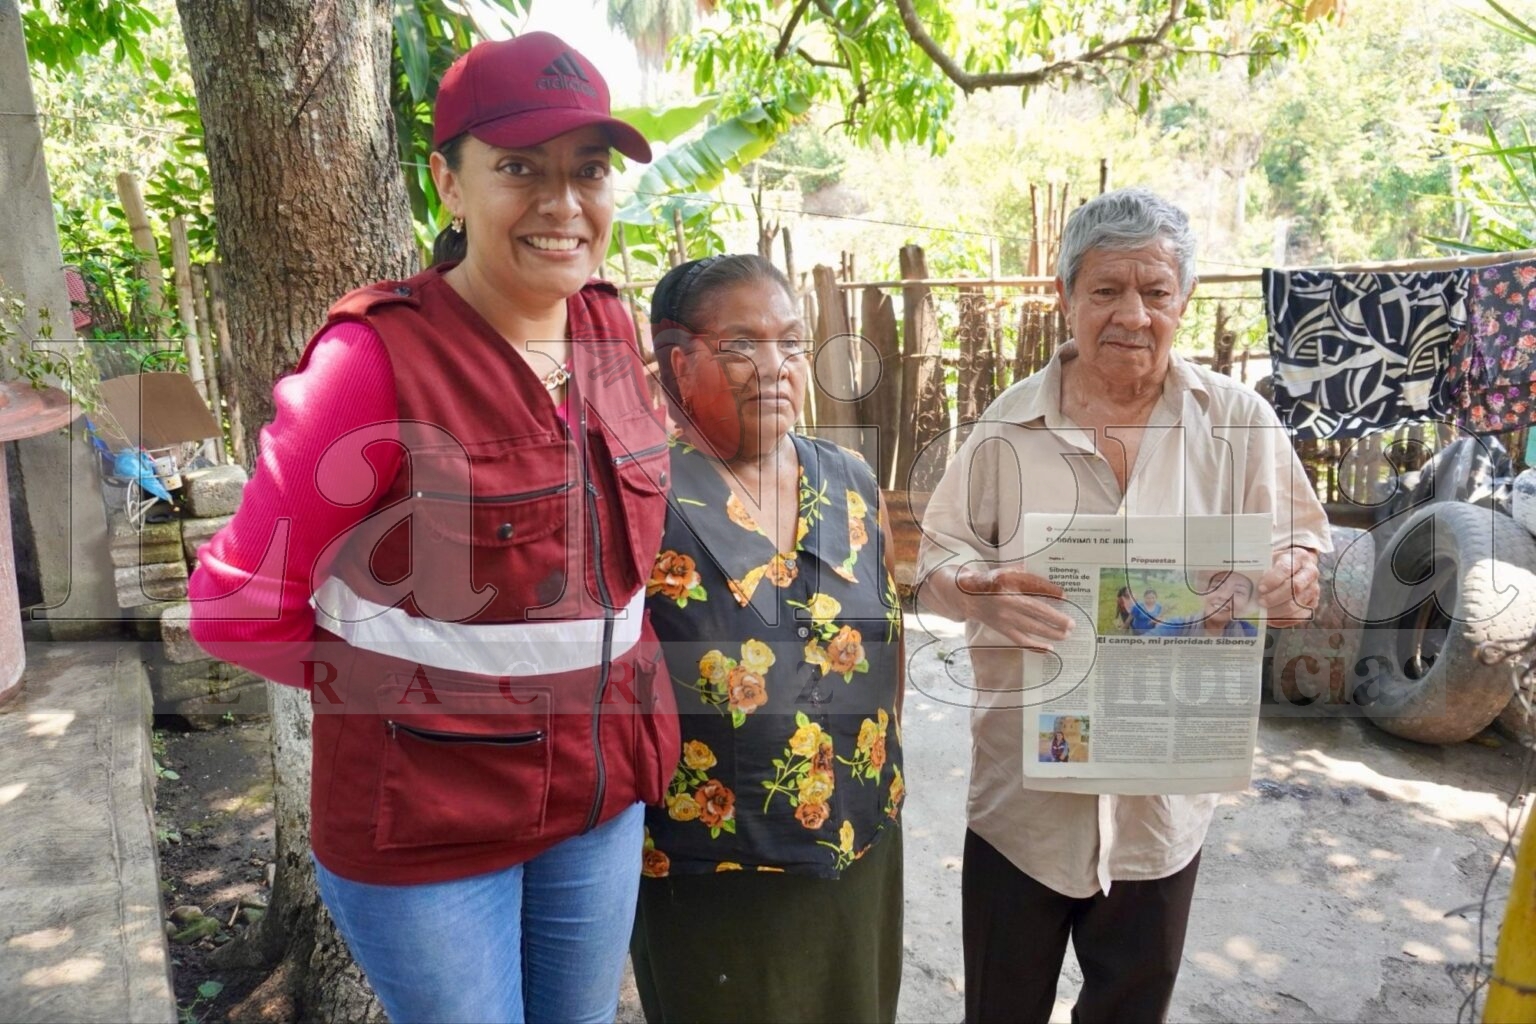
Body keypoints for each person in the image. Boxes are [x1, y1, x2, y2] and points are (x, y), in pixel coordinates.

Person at [187, 33, 679, 1024]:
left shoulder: (608, 330)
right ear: (449, 183)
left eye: (588, 171)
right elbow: (237, 606)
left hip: (597, 797)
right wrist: (416, 700)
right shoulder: (370, 364)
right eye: (518, 169)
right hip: (429, 822)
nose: (562, 203)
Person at [916, 187, 1328, 1024]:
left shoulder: (1239, 420)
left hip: (1162, 802)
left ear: (1185, 302)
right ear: (1066, 297)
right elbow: (935, 562)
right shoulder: (1009, 426)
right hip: (1023, 799)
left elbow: (1303, 542)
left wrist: (1293, 575)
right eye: (1105, 290)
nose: (1131, 315)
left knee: (1131, 1010)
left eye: (1155, 291)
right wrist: (978, 591)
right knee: (1000, 1008)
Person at [629, 255, 906, 1023]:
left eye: (790, 341)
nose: (778, 366)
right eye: (743, 345)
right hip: (714, 871)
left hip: (859, 843)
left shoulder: (850, 478)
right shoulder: (640, 499)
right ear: (679, 363)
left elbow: (892, 639)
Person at [1150, 570, 1260, 638]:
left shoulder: (1250, 633)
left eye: (1238, 592)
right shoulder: (1177, 627)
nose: (1225, 596)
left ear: (1247, 602)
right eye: (1217, 586)